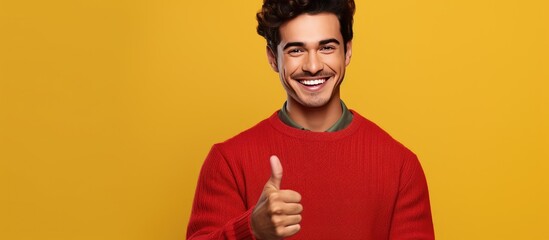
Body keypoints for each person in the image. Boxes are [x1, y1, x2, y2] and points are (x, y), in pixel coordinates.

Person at [187, 0, 434, 239]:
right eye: (296, 50)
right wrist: (250, 230)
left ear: (347, 51)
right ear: (273, 58)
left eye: (327, 47)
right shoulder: (229, 162)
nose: (313, 66)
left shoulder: (400, 166)